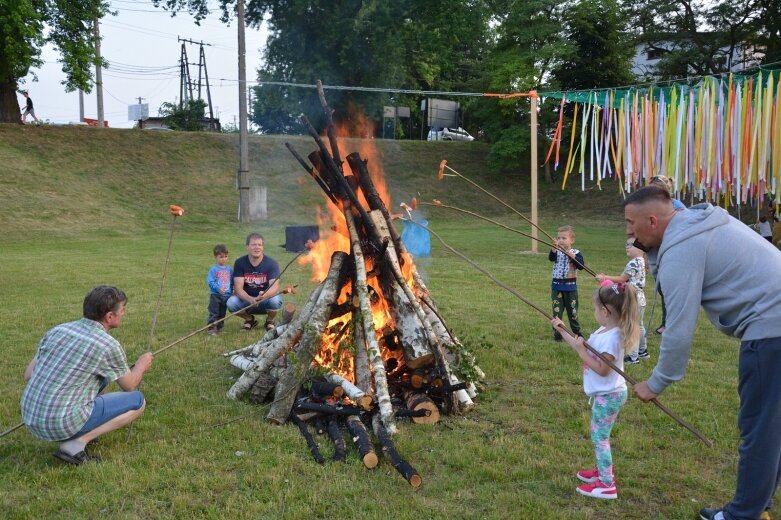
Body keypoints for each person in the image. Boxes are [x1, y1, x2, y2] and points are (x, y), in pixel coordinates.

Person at [624, 186, 781, 520]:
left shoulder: (683, 248)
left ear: (652, 220)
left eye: (630, 222)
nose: (627, 231)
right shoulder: (698, 222)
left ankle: (743, 515)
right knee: (774, 425)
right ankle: (758, 504)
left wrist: (655, 383)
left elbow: (678, 329)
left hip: (772, 329)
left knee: (760, 428)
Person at [21, 286, 154, 465]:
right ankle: (75, 444)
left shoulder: (58, 330)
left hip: (30, 418)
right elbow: (130, 385)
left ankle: (79, 429)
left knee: (103, 377)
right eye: (122, 310)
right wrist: (141, 365)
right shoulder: (108, 345)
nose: (123, 314)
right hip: (58, 424)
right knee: (138, 402)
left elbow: (29, 374)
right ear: (109, 316)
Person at [551, 280, 639, 500]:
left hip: (609, 395)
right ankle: (603, 471)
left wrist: (582, 353)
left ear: (605, 311)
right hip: (606, 394)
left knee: (600, 438)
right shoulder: (604, 331)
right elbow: (581, 346)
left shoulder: (613, 338)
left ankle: (607, 484)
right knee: (601, 436)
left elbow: (602, 370)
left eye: (595, 309)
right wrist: (562, 330)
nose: (594, 313)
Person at [596, 238, 648, 364]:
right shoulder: (642, 261)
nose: (627, 247)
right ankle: (643, 351)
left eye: (631, 245)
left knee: (632, 326)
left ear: (640, 248)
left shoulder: (634, 262)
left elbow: (622, 279)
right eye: (627, 244)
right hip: (641, 298)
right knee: (639, 325)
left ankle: (633, 357)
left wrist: (604, 278)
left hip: (632, 299)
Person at [648, 175, 685, 335]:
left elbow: (687, 224)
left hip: (672, 252)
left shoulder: (676, 205)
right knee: (663, 289)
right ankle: (668, 322)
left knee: (670, 289)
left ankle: (669, 324)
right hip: (655, 253)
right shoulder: (647, 206)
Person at [226, 233, 283, 331]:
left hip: (265, 299)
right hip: (246, 300)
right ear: (247, 247)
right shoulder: (240, 263)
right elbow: (238, 289)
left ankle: (269, 321)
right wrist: (250, 299)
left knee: (275, 300)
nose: (257, 247)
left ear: (263, 247)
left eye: (260, 245)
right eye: (253, 245)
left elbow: (274, 287)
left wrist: (264, 295)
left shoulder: (272, 263)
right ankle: (249, 320)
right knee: (231, 303)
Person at [549, 225, 585, 341]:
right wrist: (553, 248)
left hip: (570, 289)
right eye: (558, 238)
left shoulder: (576, 252)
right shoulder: (557, 251)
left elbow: (581, 266)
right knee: (557, 311)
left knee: (572, 311)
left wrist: (573, 257)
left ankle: (576, 332)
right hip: (557, 287)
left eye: (564, 238)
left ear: (572, 240)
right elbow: (551, 258)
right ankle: (558, 333)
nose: (560, 240)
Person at [206, 244, 233, 335]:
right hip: (216, 295)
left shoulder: (230, 270)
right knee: (214, 312)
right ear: (215, 257)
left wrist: (232, 290)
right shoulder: (213, 270)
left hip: (226, 296)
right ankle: (211, 328)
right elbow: (210, 281)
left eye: (225, 256)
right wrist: (218, 288)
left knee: (222, 312)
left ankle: (220, 327)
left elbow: (232, 281)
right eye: (221, 257)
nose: (224, 259)